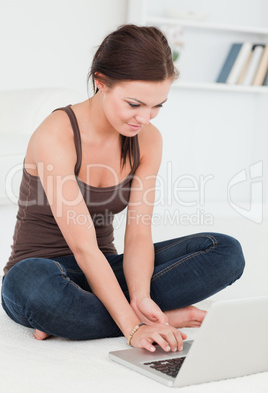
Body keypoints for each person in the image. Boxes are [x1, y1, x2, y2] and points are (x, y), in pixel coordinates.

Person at [1, 24, 245, 353]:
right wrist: (134, 329)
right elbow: (84, 246)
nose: (145, 118)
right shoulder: (56, 134)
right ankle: (163, 317)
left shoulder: (147, 139)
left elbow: (138, 233)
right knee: (36, 288)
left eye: (158, 105)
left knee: (226, 252)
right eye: (134, 104)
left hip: (108, 270)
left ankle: (83, 318)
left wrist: (142, 295)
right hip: (44, 270)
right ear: (101, 82)